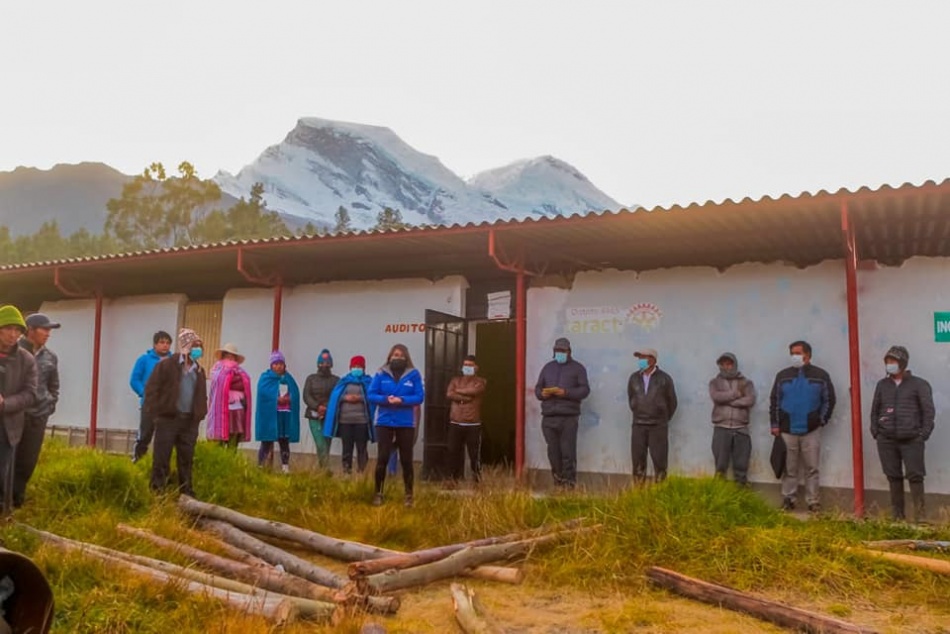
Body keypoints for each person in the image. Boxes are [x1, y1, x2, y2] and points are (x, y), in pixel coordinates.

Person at [769, 340, 836, 512]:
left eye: (798, 353)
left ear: (808, 355)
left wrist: (821, 420)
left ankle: (813, 501)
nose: (795, 356)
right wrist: (775, 424)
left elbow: (829, 400)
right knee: (789, 468)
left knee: (812, 468)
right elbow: (775, 400)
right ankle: (788, 499)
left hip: (811, 430)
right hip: (787, 429)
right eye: (792, 353)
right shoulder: (782, 375)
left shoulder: (821, 375)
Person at [870, 345, 935, 522]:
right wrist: (876, 432)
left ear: (903, 363)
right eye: (887, 361)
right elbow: (875, 410)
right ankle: (898, 516)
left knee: (915, 476)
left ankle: (920, 517)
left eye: (893, 361)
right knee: (893, 477)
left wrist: (923, 434)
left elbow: (928, 411)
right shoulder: (882, 385)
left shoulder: (919, 384)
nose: (889, 364)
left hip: (912, 439)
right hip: (886, 439)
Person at [143, 328, 207, 498]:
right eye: (195, 346)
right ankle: (158, 492)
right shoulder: (166, 365)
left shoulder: (199, 370)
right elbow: (151, 389)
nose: (198, 349)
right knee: (162, 457)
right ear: (186, 346)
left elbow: (202, 395)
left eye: (200, 346)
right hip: (168, 418)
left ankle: (186, 492)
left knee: (186, 458)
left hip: (189, 421)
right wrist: (155, 413)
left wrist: (200, 414)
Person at [368, 344, 424, 506]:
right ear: (389, 357)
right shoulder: (381, 373)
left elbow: (419, 397)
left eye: (400, 355)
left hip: (405, 422)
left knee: (406, 460)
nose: (397, 357)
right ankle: (378, 493)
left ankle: (409, 495)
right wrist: (385, 399)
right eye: (395, 355)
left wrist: (402, 400)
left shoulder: (414, 374)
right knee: (383, 458)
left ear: (406, 357)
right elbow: (371, 394)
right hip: (384, 421)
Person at [13, 313, 60, 508]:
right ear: (30, 330)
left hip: (38, 416)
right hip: (15, 414)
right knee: (8, 459)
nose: (48, 333)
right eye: (44, 329)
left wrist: (50, 404)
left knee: (28, 461)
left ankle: (17, 502)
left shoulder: (50, 357)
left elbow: (54, 385)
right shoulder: (14, 351)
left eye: (50, 330)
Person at [534, 337, 590, 489]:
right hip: (548, 417)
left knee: (568, 452)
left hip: (568, 417)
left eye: (562, 351)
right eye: (557, 350)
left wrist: (565, 392)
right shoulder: (548, 368)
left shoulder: (578, 368)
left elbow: (585, 390)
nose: (560, 353)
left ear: (569, 351)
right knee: (553, 453)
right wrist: (541, 394)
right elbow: (538, 388)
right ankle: (558, 483)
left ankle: (569, 485)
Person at [0, 306, 37, 515]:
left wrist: (5, 403)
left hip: (8, 427)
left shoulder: (26, 360)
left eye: (18, 330)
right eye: (8, 329)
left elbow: (30, 394)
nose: (13, 334)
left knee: (3, 474)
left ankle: (3, 517)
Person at [627, 347, 678, 484]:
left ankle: (660, 490)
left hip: (658, 426)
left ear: (653, 360)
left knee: (660, 461)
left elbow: (672, 402)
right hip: (638, 424)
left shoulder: (665, 379)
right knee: (638, 461)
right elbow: (631, 398)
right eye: (639, 358)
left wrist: (662, 418)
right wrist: (637, 408)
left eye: (644, 357)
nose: (641, 360)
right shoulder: (633, 378)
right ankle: (639, 490)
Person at [708, 352, 756, 485]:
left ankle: (741, 489)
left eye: (728, 364)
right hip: (721, 427)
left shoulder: (746, 382)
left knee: (741, 463)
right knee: (720, 463)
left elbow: (750, 400)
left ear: (734, 364)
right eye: (723, 364)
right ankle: (719, 489)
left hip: (741, 428)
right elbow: (716, 397)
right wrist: (735, 394)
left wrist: (731, 402)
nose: (726, 367)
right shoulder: (715, 382)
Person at [323, 355, 376, 475]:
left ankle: (362, 471)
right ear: (350, 367)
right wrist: (345, 397)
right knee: (347, 448)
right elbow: (335, 397)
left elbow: (372, 397)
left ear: (364, 368)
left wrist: (360, 398)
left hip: (362, 422)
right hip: (345, 421)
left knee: (362, 448)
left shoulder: (369, 382)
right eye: (354, 366)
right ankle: (347, 471)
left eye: (359, 366)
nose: (357, 368)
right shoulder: (343, 381)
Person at [130, 331, 173, 463]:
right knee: (145, 435)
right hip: (149, 405)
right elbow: (134, 380)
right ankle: (138, 461)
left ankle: (160, 465)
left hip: (167, 405)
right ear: (155, 344)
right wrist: (145, 393)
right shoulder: (144, 360)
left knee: (165, 437)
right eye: (162, 342)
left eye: (167, 343)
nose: (165, 345)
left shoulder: (174, 361)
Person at [255, 351, 301, 473]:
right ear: (271, 365)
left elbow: (295, 394)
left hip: (284, 416)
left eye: (281, 363)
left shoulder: (289, 379)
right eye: (275, 364)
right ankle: (260, 466)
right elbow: (263, 394)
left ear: (284, 365)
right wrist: (275, 399)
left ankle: (285, 468)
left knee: (284, 441)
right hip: (270, 417)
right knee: (266, 441)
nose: (278, 366)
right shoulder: (265, 378)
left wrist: (290, 398)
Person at [446, 355, 487, 484]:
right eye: (465, 365)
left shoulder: (480, 381)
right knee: (453, 452)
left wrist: (458, 392)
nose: (467, 367)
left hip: (472, 424)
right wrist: (465, 398)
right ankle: (453, 479)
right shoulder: (455, 380)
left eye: (470, 365)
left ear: (476, 367)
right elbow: (449, 393)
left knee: (474, 454)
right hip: (455, 422)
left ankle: (477, 481)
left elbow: (474, 391)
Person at [206, 343, 253, 450]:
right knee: (219, 442)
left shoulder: (241, 372)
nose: (230, 358)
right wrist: (230, 378)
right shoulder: (217, 370)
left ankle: (232, 457)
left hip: (237, 409)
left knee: (234, 439)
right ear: (223, 356)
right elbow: (218, 385)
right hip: (221, 410)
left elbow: (245, 384)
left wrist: (233, 381)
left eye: (232, 356)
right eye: (227, 355)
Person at [303, 349, 338, 470]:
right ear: (318, 364)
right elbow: (306, 395)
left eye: (327, 363)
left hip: (329, 416)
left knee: (327, 444)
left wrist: (326, 407)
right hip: (314, 416)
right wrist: (317, 406)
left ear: (331, 364)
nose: (324, 365)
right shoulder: (311, 379)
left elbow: (336, 396)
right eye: (322, 362)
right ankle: (326, 469)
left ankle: (322, 471)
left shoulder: (336, 380)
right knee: (320, 443)